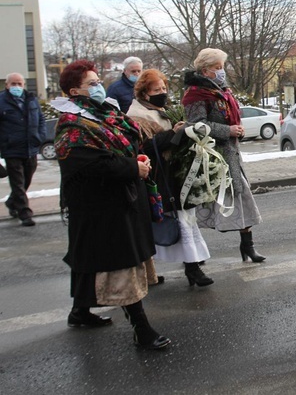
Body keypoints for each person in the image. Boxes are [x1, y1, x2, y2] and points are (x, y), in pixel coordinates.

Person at [52, 60, 170, 350]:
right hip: (101, 205)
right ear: (72, 91)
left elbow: (126, 139)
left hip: (118, 199)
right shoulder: (72, 123)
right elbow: (89, 164)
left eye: (97, 81)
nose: (98, 87)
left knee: (90, 257)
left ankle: (80, 312)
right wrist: (132, 167)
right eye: (91, 83)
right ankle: (142, 330)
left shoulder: (103, 112)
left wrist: (138, 159)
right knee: (119, 264)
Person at [127, 69, 213, 287]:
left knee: (186, 220)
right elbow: (144, 148)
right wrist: (173, 134)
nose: (162, 92)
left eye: (164, 88)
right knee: (179, 221)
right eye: (157, 89)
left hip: (176, 174)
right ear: (145, 93)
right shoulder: (138, 116)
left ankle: (191, 265)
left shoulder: (162, 110)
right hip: (161, 176)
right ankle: (191, 269)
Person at [182, 48, 265, 262]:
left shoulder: (223, 91)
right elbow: (195, 125)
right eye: (217, 68)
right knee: (205, 206)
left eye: (222, 67)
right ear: (204, 70)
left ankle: (248, 246)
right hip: (211, 157)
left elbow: (231, 117)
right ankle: (193, 257)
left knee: (242, 199)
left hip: (231, 154)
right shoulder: (195, 94)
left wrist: (238, 130)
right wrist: (226, 131)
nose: (221, 71)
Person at [0, 73, 46, 226]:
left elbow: (41, 119)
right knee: (18, 181)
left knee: (27, 179)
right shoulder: (2, 101)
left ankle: (12, 202)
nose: (17, 86)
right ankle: (24, 213)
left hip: (30, 147)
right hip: (11, 148)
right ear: (7, 85)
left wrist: (40, 136)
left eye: (19, 83)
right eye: (13, 83)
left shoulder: (31, 99)